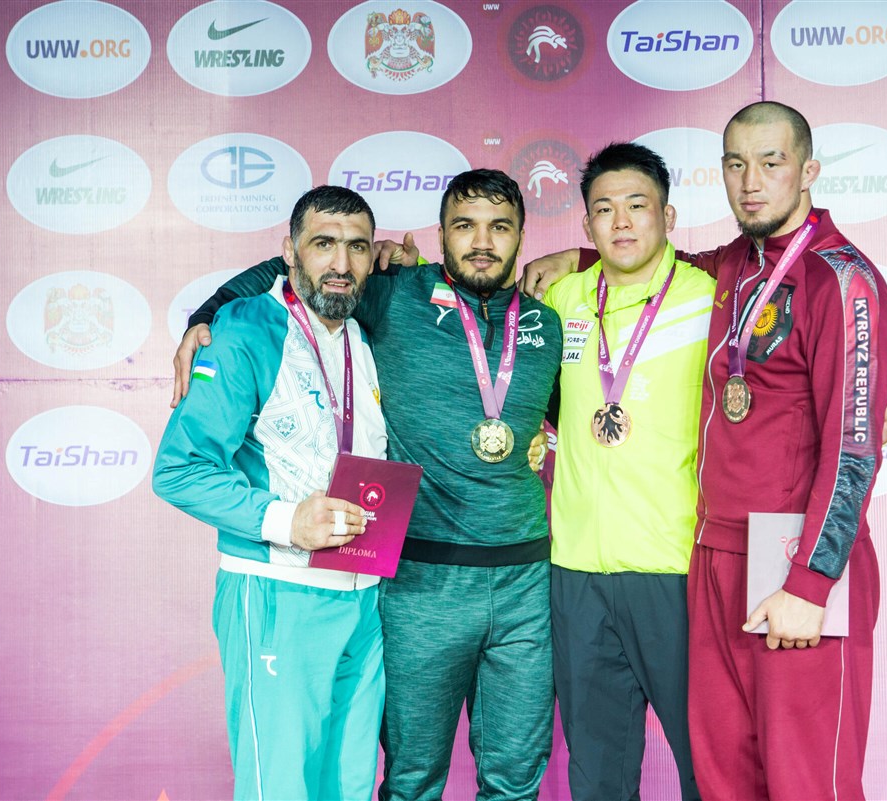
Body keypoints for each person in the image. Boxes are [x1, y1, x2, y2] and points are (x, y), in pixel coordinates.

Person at [525, 102, 887, 800]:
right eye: (736, 164)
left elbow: (855, 449)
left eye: (771, 162)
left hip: (797, 557)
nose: (751, 181)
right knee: (728, 776)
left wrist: (811, 582)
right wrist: (577, 258)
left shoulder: (842, 279)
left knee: (805, 779)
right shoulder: (732, 266)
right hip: (714, 555)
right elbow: (650, 262)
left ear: (809, 171)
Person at [173, 170, 562, 801]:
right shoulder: (393, 294)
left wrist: (582, 256)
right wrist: (204, 317)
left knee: (506, 778)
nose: (482, 241)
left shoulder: (548, 319)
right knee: (407, 780)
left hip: (508, 581)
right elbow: (304, 268)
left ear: (522, 235)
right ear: (441, 235)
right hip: (408, 582)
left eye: (500, 227)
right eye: (465, 226)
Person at [152, 185, 388, 801]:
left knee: (348, 786)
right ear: (289, 251)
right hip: (277, 591)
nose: (341, 263)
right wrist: (286, 521)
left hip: (365, 599)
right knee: (280, 788)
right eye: (323, 244)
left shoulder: (365, 332)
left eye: (357, 247)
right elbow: (179, 470)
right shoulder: (243, 331)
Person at [539, 142, 711, 801]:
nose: (622, 222)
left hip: (675, 568)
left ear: (668, 216)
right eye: (604, 209)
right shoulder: (560, 299)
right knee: (597, 774)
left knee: (708, 764)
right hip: (576, 568)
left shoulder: (710, 299)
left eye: (637, 205)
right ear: (586, 225)